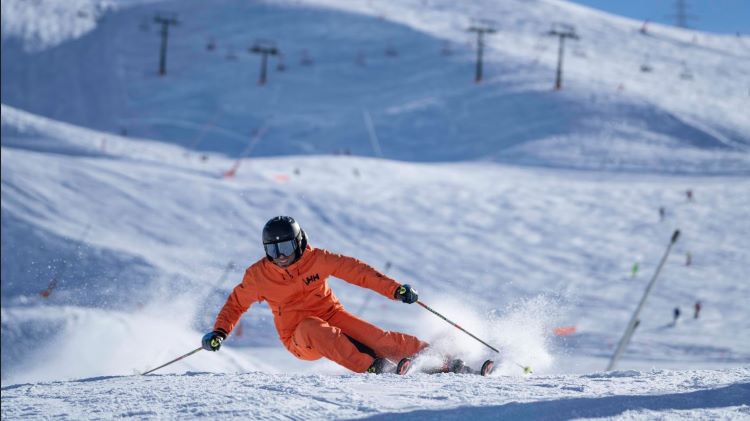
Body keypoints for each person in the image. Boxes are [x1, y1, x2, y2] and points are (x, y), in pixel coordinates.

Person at [201, 216, 428, 374]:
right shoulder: (259, 275)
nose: (280, 256)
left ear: (299, 242)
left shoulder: (317, 260)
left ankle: (435, 356)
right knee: (313, 327)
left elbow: (357, 271)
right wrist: (220, 331)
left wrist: (394, 289)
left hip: (332, 315)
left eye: (285, 248)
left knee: (379, 339)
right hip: (298, 337)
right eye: (273, 250)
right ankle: (374, 367)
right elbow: (236, 304)